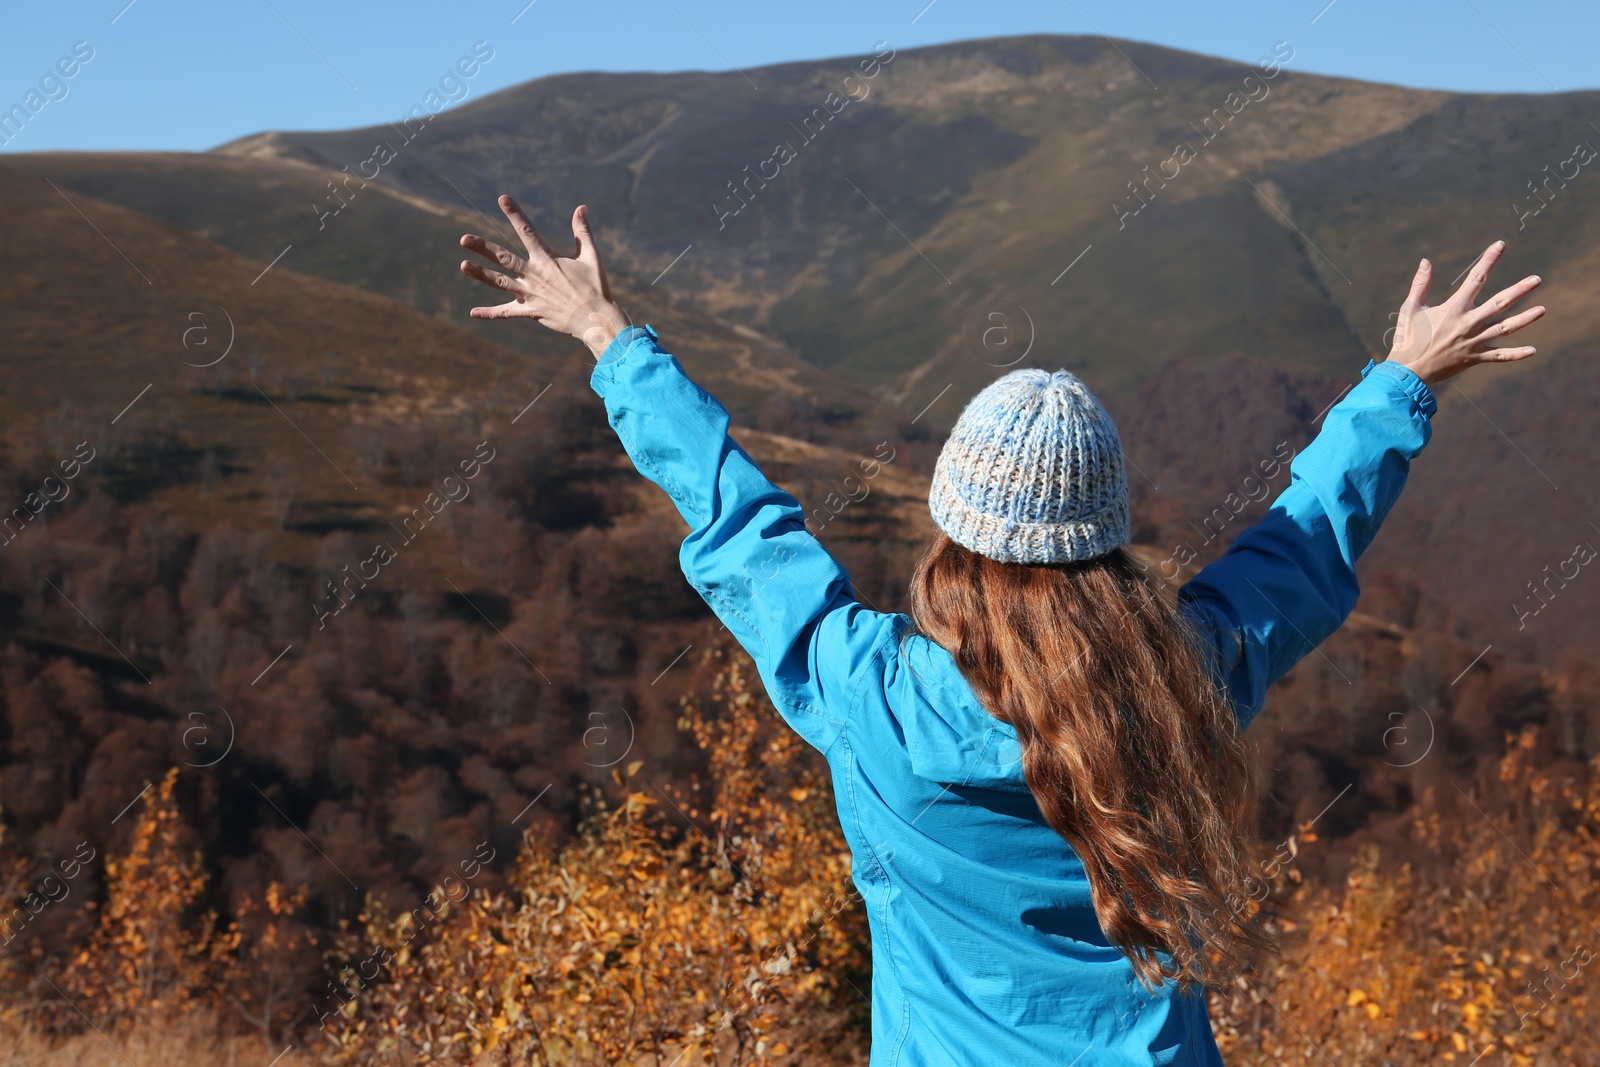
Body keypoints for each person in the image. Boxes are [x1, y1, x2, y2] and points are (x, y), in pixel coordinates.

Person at [458, 197, 1545, 1065]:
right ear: (1110, 538)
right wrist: (1401, 381)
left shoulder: (867, 691)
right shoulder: (1192, 672)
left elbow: (740, 519)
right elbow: (1304, 540)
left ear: (952, 536)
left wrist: (610, 337)